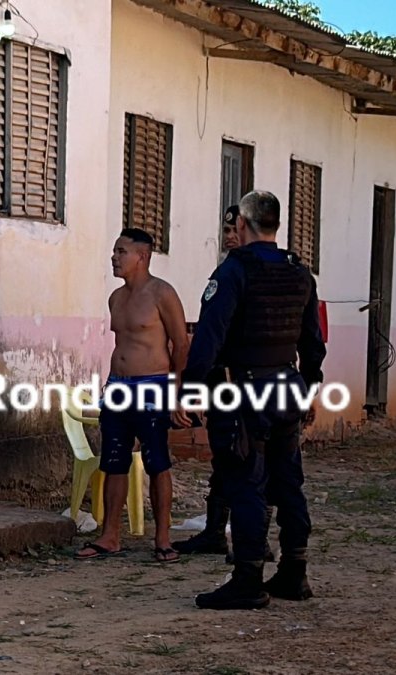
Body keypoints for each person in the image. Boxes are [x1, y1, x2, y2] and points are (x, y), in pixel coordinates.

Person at [182, 190, 326, 611]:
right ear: (276, 224)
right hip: (287, 388)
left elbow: (209, 337)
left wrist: (191, 389)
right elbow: (312, 342)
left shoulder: (234, 270)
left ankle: (247, 579)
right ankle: (294, 571)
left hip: (243, 392)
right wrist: (309, 387)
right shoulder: (299, 272)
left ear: (242, 224)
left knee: (245, 482)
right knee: (288, 481)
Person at [75, 228, 191, 563]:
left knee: (157, 462)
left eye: (121, 251)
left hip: (152, 386)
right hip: (118, 388)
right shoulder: (116, 297)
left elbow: (181, 344)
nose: (114, 257)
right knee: (113, 461)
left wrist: (176, 392)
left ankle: (163, 538)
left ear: (142, 256)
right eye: (114, 251)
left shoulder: (162, 293)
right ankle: (110, 535)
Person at [173, 205, 275, 564]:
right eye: (226, 230)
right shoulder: (233, 271)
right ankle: (216, 531)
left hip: (245, 381)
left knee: (251, 462)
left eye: (236, 229)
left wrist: (190, 389)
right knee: (226, 458)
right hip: (234, 380)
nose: (230, 236)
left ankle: (253, 543)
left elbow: (210, 336)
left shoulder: (252, 274)